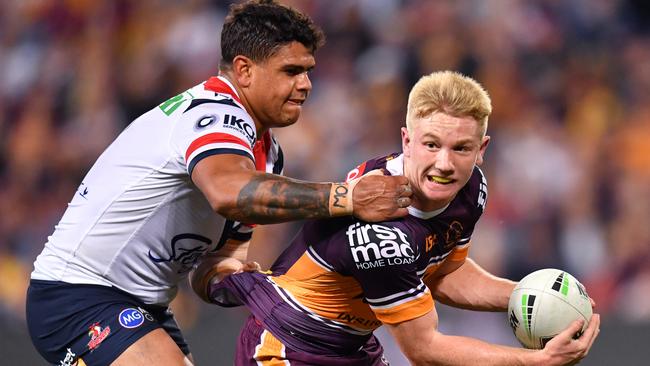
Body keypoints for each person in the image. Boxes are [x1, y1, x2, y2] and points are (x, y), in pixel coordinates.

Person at [25, 1, 412, 366]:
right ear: (244, 70)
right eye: (291, 71)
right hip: (77, 294)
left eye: (308, 70)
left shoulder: (266, 155)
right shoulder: (215, 113)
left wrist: (253, 286)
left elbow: (211, 265)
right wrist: (345, 197)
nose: (307, 84)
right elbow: (230, 193)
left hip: (143, 305)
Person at [194, 70, 601, 365]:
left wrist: (539, 301)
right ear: (406, 140)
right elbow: (424, 349)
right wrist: (536, 362)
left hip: (352, 347)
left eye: (461, 148)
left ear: (482, 149)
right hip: (288, 346)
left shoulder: (472, 188)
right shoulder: (380, 231)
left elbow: (443, 273)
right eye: (430, 144)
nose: (444, 163)